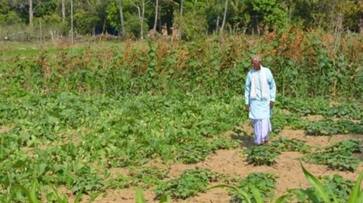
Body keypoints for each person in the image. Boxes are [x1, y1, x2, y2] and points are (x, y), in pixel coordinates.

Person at [244, 56, 276, 145]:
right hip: (254, 101)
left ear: (260, 63)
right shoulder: (250, 74)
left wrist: (272, 99)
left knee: (265, 119)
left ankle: (264, 137)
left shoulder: (267, 72)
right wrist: (247, 103)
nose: (255, 65)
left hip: (265, 101)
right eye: (253, 64)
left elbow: (272, 86)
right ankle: (258, 140)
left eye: (257, 63)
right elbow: (247, 88)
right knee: (256, 120)